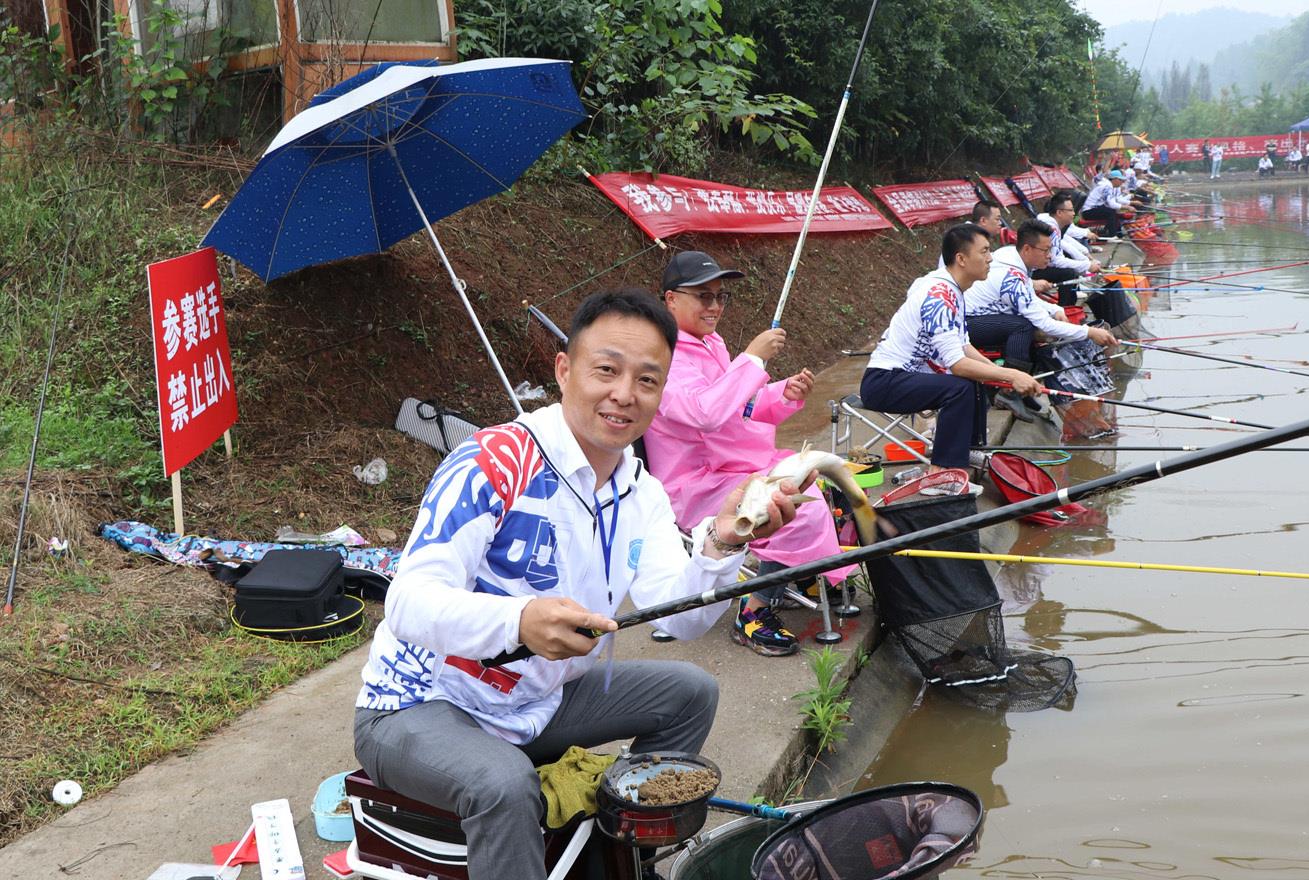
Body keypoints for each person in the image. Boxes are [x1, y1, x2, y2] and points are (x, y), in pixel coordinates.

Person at [353, 289, 798, 880]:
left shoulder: (641, 492)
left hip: (538, 702)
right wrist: (519, 622)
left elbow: (680, 617)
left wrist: (723, 542)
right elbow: (408, 603)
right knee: (503, 784)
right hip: (420, 705)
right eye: (606, 370)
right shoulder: (492, 461)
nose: (624, 394)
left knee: (691, 693)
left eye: (647, 380)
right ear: (565, 370)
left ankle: (623, 849)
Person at [645, 250, 854, 658]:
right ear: (671, 300)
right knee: (796, 503)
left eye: (721, 297)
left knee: (821, 480)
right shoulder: (662, 354)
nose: (715, 306)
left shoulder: (711, 343)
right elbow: (704, 413)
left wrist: (782, 392)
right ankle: (754, 609)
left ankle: (802, 574)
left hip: (735, 466)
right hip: (697, 481)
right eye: (703, 296)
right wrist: (755, 356)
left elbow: (741, 406)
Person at [860, 224, 1042, 471]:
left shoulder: (952, 289)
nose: (991, 259)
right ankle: (942, 473)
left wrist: (1002, 378)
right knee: (959, 388)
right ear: (961, 259)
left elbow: (963, 345)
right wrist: (1012, 374)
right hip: (885, 381)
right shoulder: (939, 296)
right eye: (985, 252)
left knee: (976, 379)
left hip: (907, 377)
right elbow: (957, 365)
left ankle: (971, 451)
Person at [966, 220, 1119, 438]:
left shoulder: (1014, 258)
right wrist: (1089, 332)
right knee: (1024, 327)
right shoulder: (1012, 275)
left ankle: (1024, 388)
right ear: (1027, 248)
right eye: (1046, 250)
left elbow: (1029, 299)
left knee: (1030, 328)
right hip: (968, 323)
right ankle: (1009, 391)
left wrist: (1054, 307)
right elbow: (1042, 322)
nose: (1050, 256)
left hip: (987, 316)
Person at [1034, 192, 1101, 287]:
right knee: (1068, 273)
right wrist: (1087, 264)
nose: (1074, 214)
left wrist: (1085, 258)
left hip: (1041, 264)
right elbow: (1057, 261)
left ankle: (1076, 283)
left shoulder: (1053, 224)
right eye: (1070, 210)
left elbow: (1066, 243)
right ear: (1059, 213)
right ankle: (1069, 298)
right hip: (1032, 271)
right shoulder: (1050, 228)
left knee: (1069, 260)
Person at [1081, 170, 1130, 238]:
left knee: (1113, 212)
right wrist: (1127, 207)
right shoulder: (1107, 186)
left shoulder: (1109, 186)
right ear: (1114, 179)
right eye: (1120, 180)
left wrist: (1123, 206)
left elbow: (1112, 202)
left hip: (1094, 209)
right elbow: (1111, 204)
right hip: (1088, 211)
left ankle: (1118, 234)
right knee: (1111, 212)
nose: (1122, 182)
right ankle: (1112, 236)